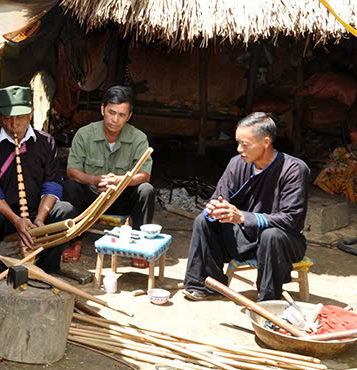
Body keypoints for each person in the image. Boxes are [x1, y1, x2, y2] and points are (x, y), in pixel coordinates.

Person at [182, 112, 309, 302]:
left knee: (271, 235)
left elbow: (291, 219)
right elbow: (218, 198)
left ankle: (268, 301)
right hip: (244, 238)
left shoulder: (293, 169)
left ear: (266, 142)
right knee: (203, 221)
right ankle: (204, 285)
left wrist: (242, 217)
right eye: (238, 143)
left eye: (245, 144)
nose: (240, 149)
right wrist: (214, 210)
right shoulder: (236, 164)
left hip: (282, 242)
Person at [0, 85, 75, 281]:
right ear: (0, 117)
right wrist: (17, 220)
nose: (13, 124)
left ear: (31, 114)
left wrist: (40, 220)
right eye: (7, 118)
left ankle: (46, 268)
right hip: (6, 214)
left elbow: (52, 185)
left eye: (20, 118)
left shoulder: (45, 142)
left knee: (65, 210)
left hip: (37, 212)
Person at [62, 85, 154, 267]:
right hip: (92, 198)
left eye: (121, 115)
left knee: (146, 190)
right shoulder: (84, 134)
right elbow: (72, 170)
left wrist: (120, 181)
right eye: (111, 112)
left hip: (121, 199)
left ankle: (139, 248)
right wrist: (94, 180)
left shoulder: (138, 138)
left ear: (129, 116)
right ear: (102, 109)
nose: (115, 119)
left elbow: (145, 175)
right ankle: (75, 241)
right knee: (70, 186)